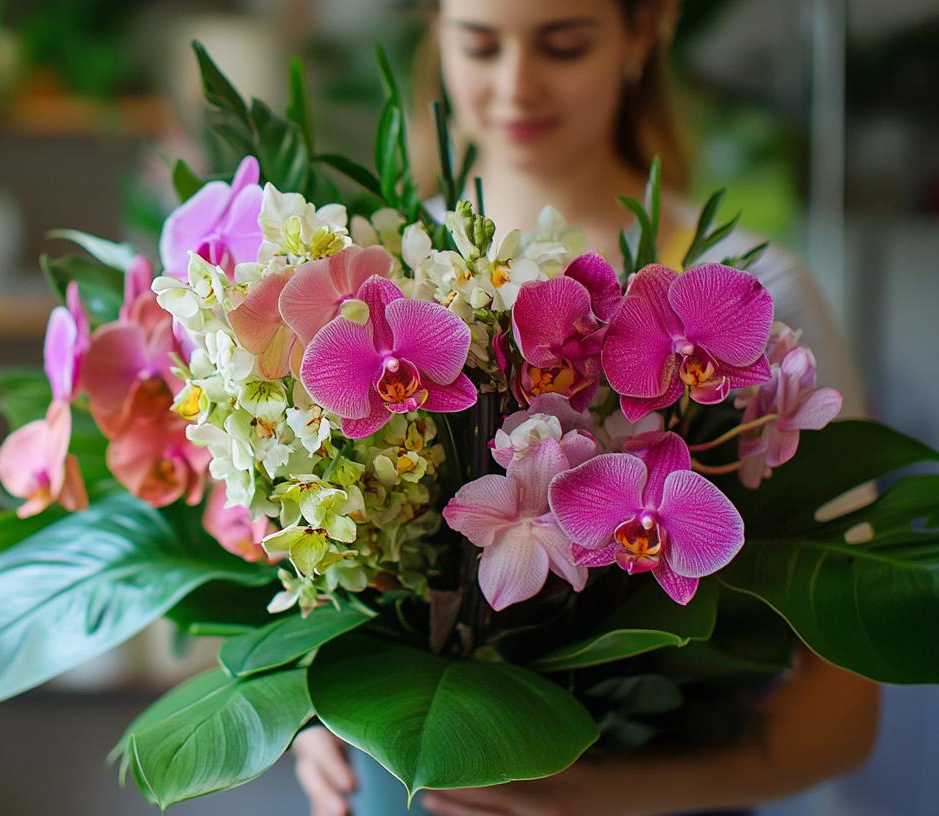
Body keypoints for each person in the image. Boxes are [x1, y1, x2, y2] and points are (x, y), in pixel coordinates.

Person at [291, 1, 880, 814]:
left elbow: (848, 703)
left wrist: (614, 794)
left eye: (563, 45)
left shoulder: (756, 299)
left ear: (645, 33)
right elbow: (302, 561)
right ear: (437, 32)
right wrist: (322, 702)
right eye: (480, 43)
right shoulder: (371, 281)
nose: (515, 84)